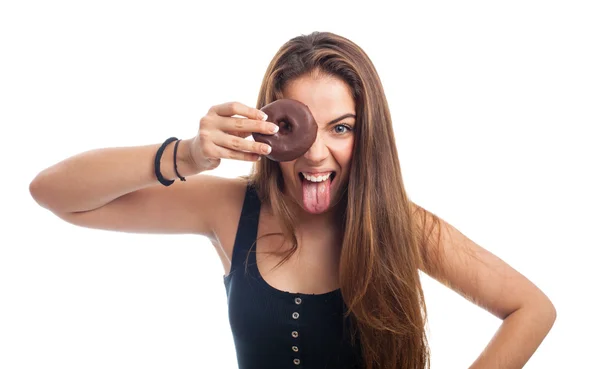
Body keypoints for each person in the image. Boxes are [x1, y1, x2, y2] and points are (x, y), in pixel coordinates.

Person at [29, 31, 556, 369]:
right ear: (270, 130)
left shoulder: (401, 226)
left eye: (342, 128)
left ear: (367, 136)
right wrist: (187, 156)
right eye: (300, 128)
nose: (317, 154)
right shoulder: (229, 210)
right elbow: (54, 193)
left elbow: (531, 308)